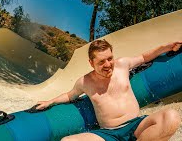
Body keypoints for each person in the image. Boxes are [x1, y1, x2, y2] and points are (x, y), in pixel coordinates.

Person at [36, 39, 181, 141]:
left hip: (137, 125)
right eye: (101, 61)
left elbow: (144, 57)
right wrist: (50, 102)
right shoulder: (84, 82)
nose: (108, 64)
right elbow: (69, 95)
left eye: (110, 58)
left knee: (172, 117)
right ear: (91, 63)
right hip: (108, 134)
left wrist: (166, 47)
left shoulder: (122, 65)